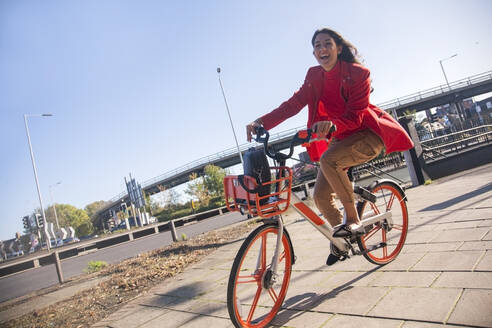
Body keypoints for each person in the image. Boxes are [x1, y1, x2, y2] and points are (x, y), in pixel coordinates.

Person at [246, 28, 414, 265]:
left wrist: (332, 124)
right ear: (314, 52)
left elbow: (356, 116)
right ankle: (342, 240)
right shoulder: (314, 76)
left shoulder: (358, 73)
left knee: (329, 160)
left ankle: (353, 219)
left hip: (367, 135)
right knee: (321, 196)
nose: (322, 49)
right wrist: (261, 122)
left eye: (327, 44)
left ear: (339, 48)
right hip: (340, 138)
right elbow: (293, 104)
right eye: (317, 46)